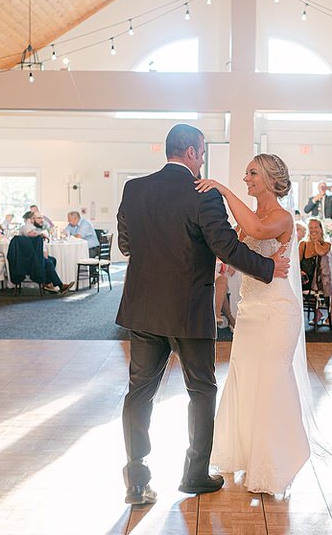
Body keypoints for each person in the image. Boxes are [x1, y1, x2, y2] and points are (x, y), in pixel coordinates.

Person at [117, 125, 287, 506]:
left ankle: (136, 478)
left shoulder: (134, 189)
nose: (203, 160)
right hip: (190, 309)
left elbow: (126, 244)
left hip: (143, 309)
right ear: (193, 152)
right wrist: (266, 267)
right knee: (201, 390)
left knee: (139, 392)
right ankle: (194, 473)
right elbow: (225, 247)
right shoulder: (202, 195)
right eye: (203, 152)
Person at [196, 154, 315, 496]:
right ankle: (247, 454)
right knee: (246, 380)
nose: (246, 178)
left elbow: (256, 231)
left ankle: (274, 464)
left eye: (251, 173)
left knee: (270, 382)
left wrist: (220, 189)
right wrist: (229, 264)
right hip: (249, 311)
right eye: (245, 173)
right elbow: (235, 246)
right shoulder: (251, 217)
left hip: (277, 311)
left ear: (268, 179)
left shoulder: (279, 217)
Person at [298, 217, 332, 328]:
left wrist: (316, 241)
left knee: (326, 286)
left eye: (316, 227)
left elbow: (320, 252)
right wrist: (300, 271)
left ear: (321, 229)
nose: (313, 230)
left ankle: (330, 314)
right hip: (305, 278)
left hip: (320, 279)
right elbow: (296, 262)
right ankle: (317, 313)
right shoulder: (303, 244)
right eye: (310, 227)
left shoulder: (326, 244)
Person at [18, 211, 70, 293]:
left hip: (34, 256)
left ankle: (47, 283)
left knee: (52, 260)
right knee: (48, 262)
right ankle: (60, 285)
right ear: (32, 219)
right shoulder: (27, 227)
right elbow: (30, 234)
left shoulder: (36, 228)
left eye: (42, 218)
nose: (42, 220)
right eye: (38, 218)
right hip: (27, 258)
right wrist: (41, 234)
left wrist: (43, 250)